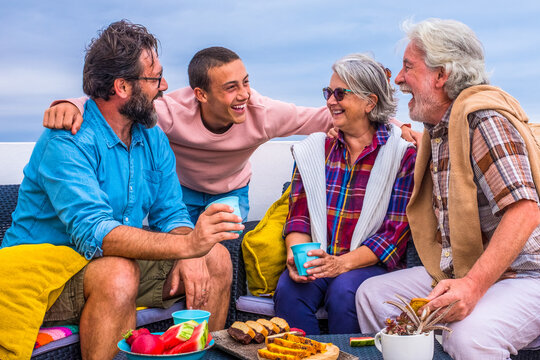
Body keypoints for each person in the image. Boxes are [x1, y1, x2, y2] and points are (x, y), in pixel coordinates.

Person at [0, 20, 243, 360]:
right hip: (43, 271)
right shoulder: (67, 141)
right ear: (123, 88)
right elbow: (96, 233)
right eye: (155, 78)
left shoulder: (150, 134)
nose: (165, 86)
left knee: (215, 257)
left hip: (106, 264)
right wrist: (187, 244)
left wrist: (192, 249)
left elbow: (169, 212)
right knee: (119, 272)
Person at [43, 47, 421, 224]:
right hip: (180, 194)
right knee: (183, 260)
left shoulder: (264, 114)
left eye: (246, 83)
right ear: (201, 94)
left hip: (230, 192)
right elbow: (119, 100)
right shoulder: (172, 112)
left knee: (219, 255)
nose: (243, 95)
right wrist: (71, 103)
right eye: (230, 88)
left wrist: (398, 128)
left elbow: (328, 117)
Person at [355, 18, 540, 359]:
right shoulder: (439, 129)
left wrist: (471, 287)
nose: (397, 78)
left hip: (526, 277)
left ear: (442, 76)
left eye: (408, 67)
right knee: (372, 295)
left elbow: (525, 211)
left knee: (467, 337)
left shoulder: (483, 120)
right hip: (468, 267)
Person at [273, 53, 416, 335]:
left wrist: (340, 264)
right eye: (328, 92)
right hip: (322, 258)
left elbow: (392, 235)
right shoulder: (314, 150)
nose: (330, 101)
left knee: (344, 291)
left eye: (340, 93)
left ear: (369, 102)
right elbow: (298, 217)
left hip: (368, 264)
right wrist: (295, 255)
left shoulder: (403, 155)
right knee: (289, 289)